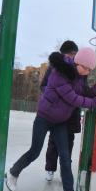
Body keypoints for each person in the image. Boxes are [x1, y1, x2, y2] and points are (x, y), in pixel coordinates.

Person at [5, 47, 96, 191]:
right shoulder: (60, 73)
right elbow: (74, 99)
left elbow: (83, 92)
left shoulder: (79, 77)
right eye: (86, 68)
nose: (87, 72)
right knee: (35, 151)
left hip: (60, 122)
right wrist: (94, 102)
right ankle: (13, 172)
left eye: (90, 70)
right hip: (44, 118)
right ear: (78, 62)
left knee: (65, 157)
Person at [40, 41, 81, 182]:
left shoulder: (78, 68)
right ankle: (50, 169)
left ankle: (66, 172)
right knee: (54, 141)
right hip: (56, 112)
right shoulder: (54, 68)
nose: (73, 57)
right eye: (72, 54)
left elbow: (81, 89)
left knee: (68, 143)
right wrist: (56, 95)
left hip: (71, 113)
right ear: (64, 54)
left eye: (75, 55)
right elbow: (44, 86)